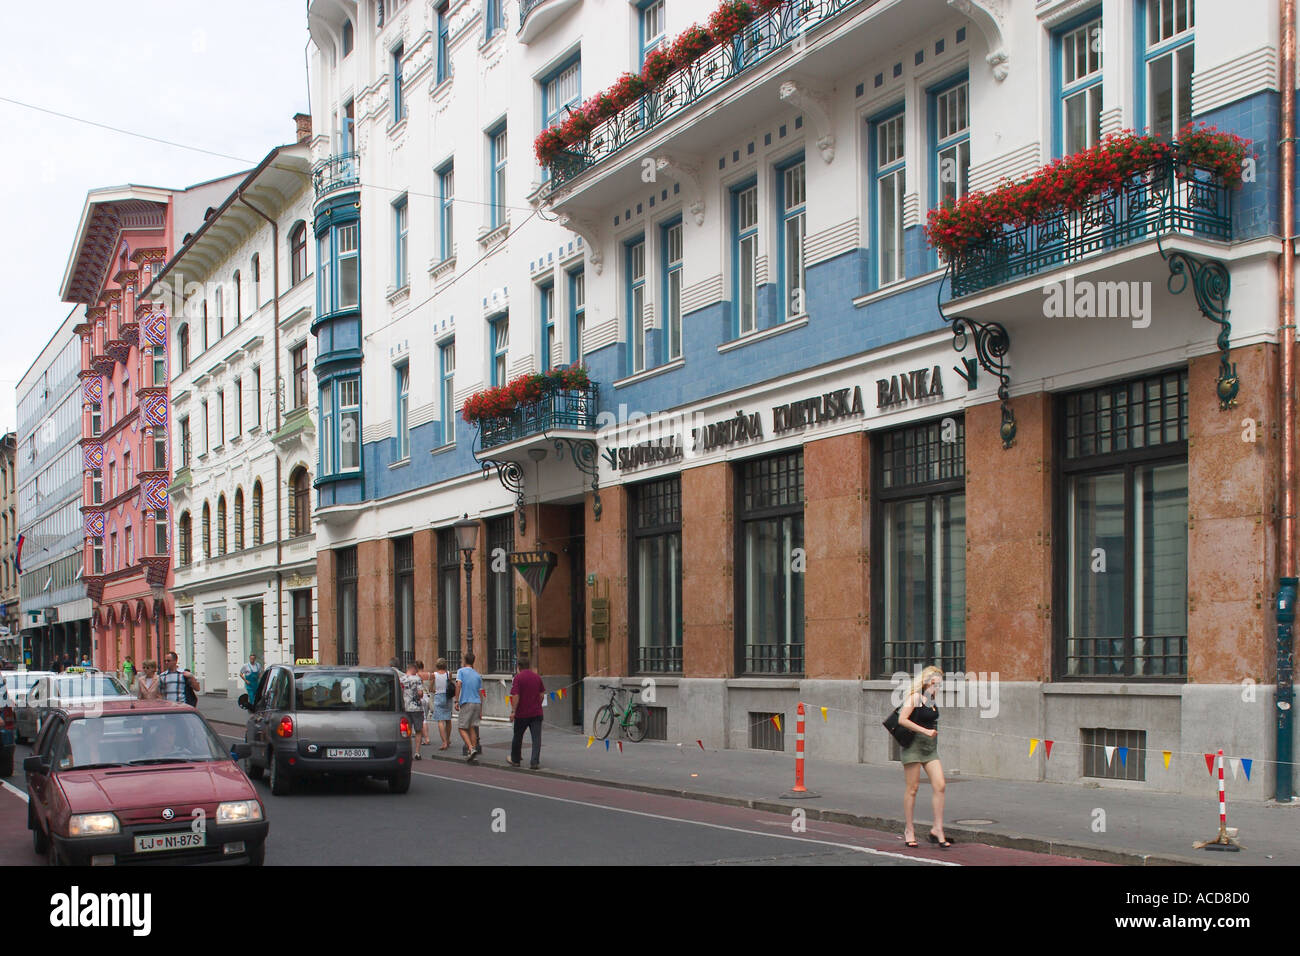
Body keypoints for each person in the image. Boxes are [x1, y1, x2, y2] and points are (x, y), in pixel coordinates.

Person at [897, 665, 950, 849]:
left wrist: (930, 733)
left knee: (940, 785)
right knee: (913, 788)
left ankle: (937, 829)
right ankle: (909, 829)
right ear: (928, 682)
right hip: (913, 746)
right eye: (937, 683)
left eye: (940, 684)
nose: (939, 686)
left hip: (929, 748)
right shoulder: (916, 697)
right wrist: (925, 731)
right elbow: (902, 720)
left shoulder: (931, 699)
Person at [507, 654, 546, 770]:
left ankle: (516, 760)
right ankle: (534, 762)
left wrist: (513, 711)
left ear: (518, 666)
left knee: (518, 737)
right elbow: (542, 695)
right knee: (536, 738)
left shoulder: (518, 678)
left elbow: (516, 695)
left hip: (522, 714)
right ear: (528, 666)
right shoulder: (537, 677)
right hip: (536, 713)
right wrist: (537, 703)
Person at [454, 651, 484, 762]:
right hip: (477, 702)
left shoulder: (461, 671)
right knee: (472, 727)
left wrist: (456, 701)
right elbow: (481, 692)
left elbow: (458, 685)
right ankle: (474, 750)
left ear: (465, 661)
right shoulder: (477, 675)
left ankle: (470, 748)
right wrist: (481, 709)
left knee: (461, 727)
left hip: (467, 701)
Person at [400, 662, 425, 758]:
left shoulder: (401, 679)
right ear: (414, 669)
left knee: (407, 731)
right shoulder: (417, 679)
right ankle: (417, 752)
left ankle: (408, 752)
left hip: (405, 708)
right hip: (417, 708)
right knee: (418, 730)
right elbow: (420, 693)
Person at [430, 658, 455, 750]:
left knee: (440, 720)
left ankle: (444, 742)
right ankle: (448, 739)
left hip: (438, 696)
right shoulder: (449, 674)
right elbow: (450, 684)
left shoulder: (434, 675)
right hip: (448, 696)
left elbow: (430, 688)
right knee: (448, 719)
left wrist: (434, 690)